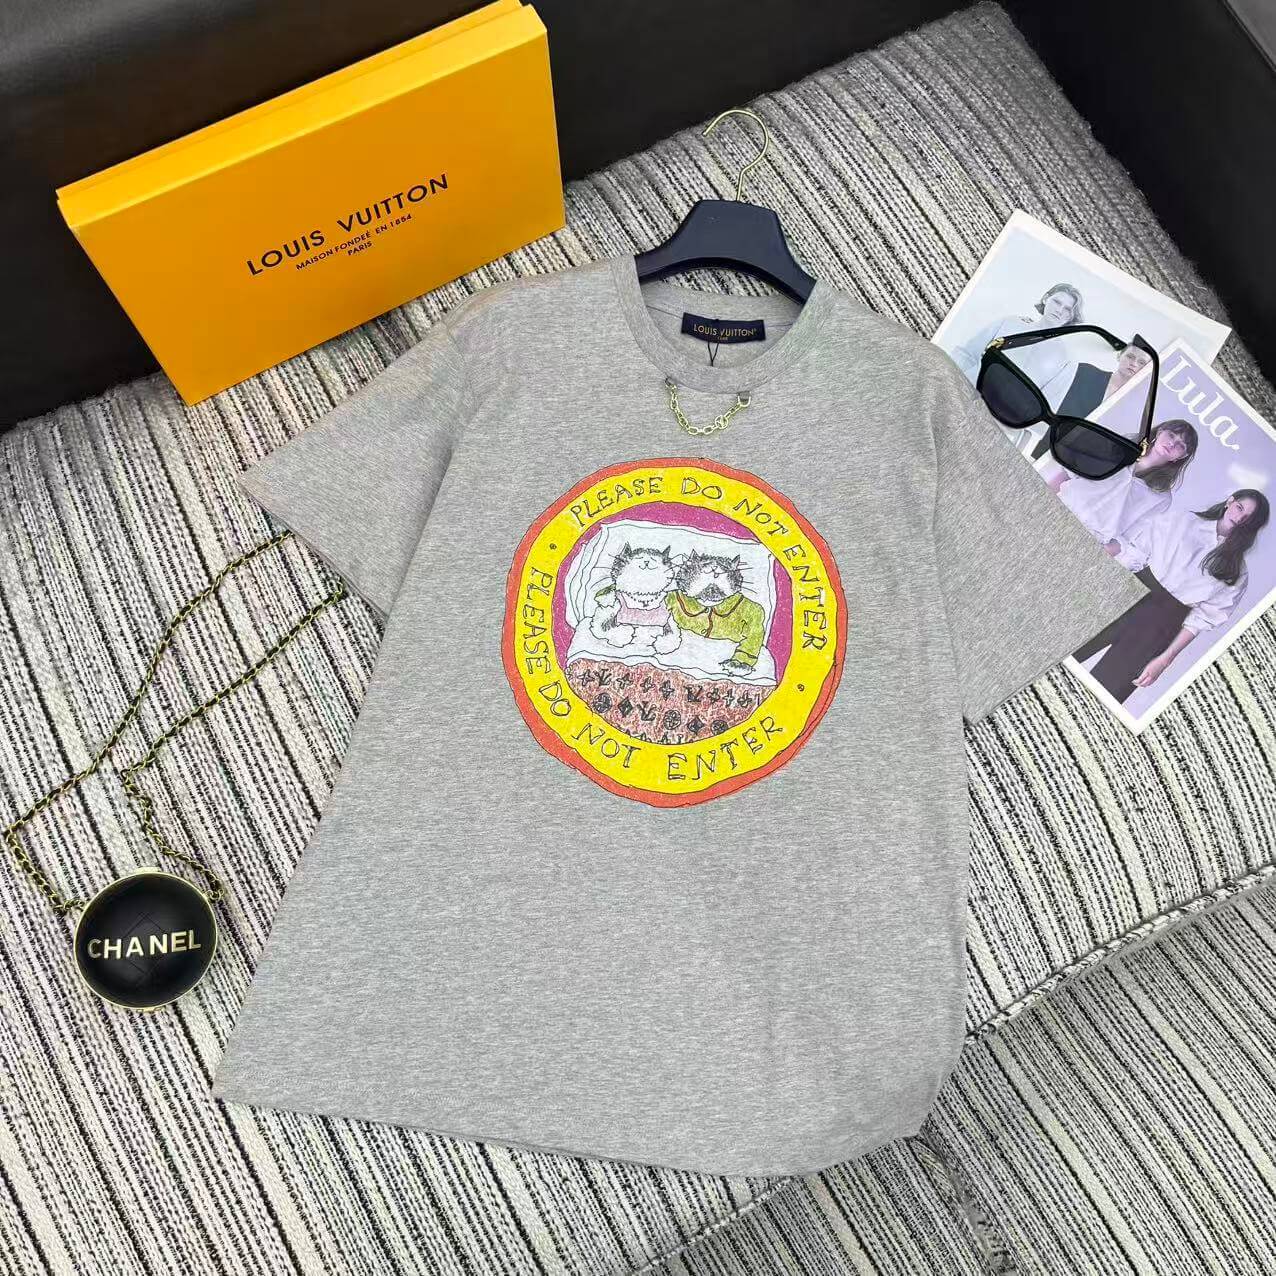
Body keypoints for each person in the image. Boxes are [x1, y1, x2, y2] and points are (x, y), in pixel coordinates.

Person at [1073, 488, 1269, 703]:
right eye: (1239, 508)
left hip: (1161, 624)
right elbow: (1136, 552)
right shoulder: (1183, 520)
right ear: (1230, 501)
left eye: (1248, 518)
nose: (1240, 518)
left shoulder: (1237, 571)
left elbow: (1201, 620)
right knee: (1065, 651)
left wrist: (1165, 659)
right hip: (1129, 593)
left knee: (1105, 693)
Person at [1048, 418, 1198, 556]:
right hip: (1060, 507)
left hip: (1090, 538)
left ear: (1182, 456)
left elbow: (1129, 536)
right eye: (1171, 435)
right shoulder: (1118, 448)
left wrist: (1099, 553)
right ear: (1160, 432)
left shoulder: (1161, 497)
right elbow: (1067, 473)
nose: (1172, 444)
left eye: (1181, 445)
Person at [1030, 341, 1154, 460]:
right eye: (1130, 356)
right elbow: (1052, 398)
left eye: (1141, 362)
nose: (1134, 364)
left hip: (1078, 459)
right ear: (1120, 356)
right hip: (1043, 442)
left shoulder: (1132, 407)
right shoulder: (1085, 372)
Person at [953, 282, 1084, 386]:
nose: (1060, 310)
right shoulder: (1010, 323)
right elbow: (967, 354)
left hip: (1000, 409)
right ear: (1046, 299)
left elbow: (1050, 401)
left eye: (1068, 309)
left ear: (1071, 316)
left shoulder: (1065, 357)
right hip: (968, 387)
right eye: (1057, 302)